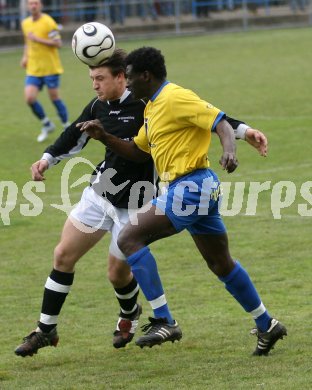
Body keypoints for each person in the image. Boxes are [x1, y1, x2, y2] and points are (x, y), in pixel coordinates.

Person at [14, 48, 268, 358]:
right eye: (92, 78)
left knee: (119, 271)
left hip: (141, 198)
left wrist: (242, 133)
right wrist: (48, 159)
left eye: (100, 78)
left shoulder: (153, 101)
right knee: (63, 254)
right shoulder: (103, 105)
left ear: (123, 78)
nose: (95, 85)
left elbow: (213, 116)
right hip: (103, 190)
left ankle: (137, 314)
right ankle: (45, 329)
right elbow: (80, 135)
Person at [77, 46, 287, 356]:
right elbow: (138, 151)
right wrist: (105, 137)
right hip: (194, 190)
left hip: (192, 186)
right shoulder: (151, 107)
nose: (128, 83)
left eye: (131, 78)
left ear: (146, 76)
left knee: (129, 236)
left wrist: (230, 149)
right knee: (220, 263)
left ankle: (165, 319)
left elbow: (221, 122)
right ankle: (267, 325)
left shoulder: (175, 97)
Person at [21, 0, 70, 143]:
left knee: (54, 98)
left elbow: (58, 43)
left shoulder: (48, 22)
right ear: (27, 6)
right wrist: (25, 57)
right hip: (33, 68)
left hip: (50, 67)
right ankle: (47, 124)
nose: (33, 6)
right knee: (30, 98)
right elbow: (27, 42)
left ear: (41, 5)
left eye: (36, 3)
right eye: (30, 3)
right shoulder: (25, 23)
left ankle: (67, 126)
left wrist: (38, 39)